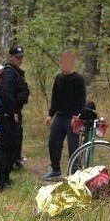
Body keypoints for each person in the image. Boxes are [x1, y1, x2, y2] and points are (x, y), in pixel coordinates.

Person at [42, 51, 86, 181]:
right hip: (60, 116)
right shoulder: (58, 78)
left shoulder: (78, 79)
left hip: (73, 117)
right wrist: (50, 115)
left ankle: (74, 173)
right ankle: (55, 170)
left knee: (73, 145)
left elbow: (82, 99)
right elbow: (54, 98)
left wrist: (78, 115)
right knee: (53, 142)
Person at [0, 45, 29, 192]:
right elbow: (7, 95)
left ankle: (6, 178)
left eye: (21, 57)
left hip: (14, 113)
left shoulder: (16, 72)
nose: (19, 60)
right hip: (9, 115)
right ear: (11, 57)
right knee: (6, 148)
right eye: (17, 57)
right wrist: (13, 112)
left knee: (14, 148)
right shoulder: (9, 73)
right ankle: (1, 183)